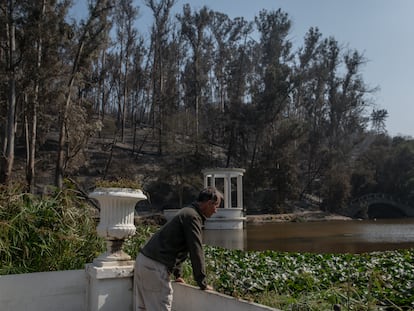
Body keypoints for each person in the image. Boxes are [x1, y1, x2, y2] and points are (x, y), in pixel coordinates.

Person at [134, 186, 223, 311]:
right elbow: (195, 249)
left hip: (143, 262)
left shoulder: (187, 212)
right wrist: (202, 282)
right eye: (216, 206)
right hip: (154, 267)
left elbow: (177, 246)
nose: (216, 211)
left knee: (143, 308)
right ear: (209, 203)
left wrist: (177, 274)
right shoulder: (193, 217)